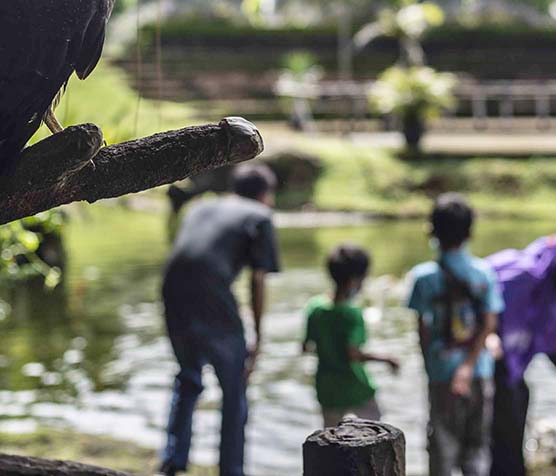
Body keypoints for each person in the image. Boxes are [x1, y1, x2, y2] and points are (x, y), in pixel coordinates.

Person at [158, 163, 281, 476]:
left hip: (172, 289)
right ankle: (231, 470)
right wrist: (258, 337)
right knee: (234, 387)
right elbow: (257, 280)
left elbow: (194, 256)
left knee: (189, 377)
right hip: (211, 293)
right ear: (265, 194)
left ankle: (172, 461)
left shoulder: (202, 206)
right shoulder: (260, 216)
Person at [487, 230, 556, 476]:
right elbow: (485, 311)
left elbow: (548, 345)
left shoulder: (550, 294)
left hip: (511, 373)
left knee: (518, 407)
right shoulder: (520, 275)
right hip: (487, 367)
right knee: (502, 436)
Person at [406, 194, 503, 476]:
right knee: (477, 447)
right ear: (470, 232)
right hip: (479, 370)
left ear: (431, 231)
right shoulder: (484, 273)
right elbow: (489, 324)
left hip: (441, 372)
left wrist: (430, 367)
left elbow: (422, 329)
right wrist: (469, 365)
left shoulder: (423, 278)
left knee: (442, 448)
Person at [303, 244, 400, 427]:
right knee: (376, 430)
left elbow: (306, 346)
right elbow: (353, 353)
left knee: (330, 435)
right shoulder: (352, 314)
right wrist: (387, 359)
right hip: (355, 388)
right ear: (355, 280)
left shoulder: (315, 308)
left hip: (327, 389)